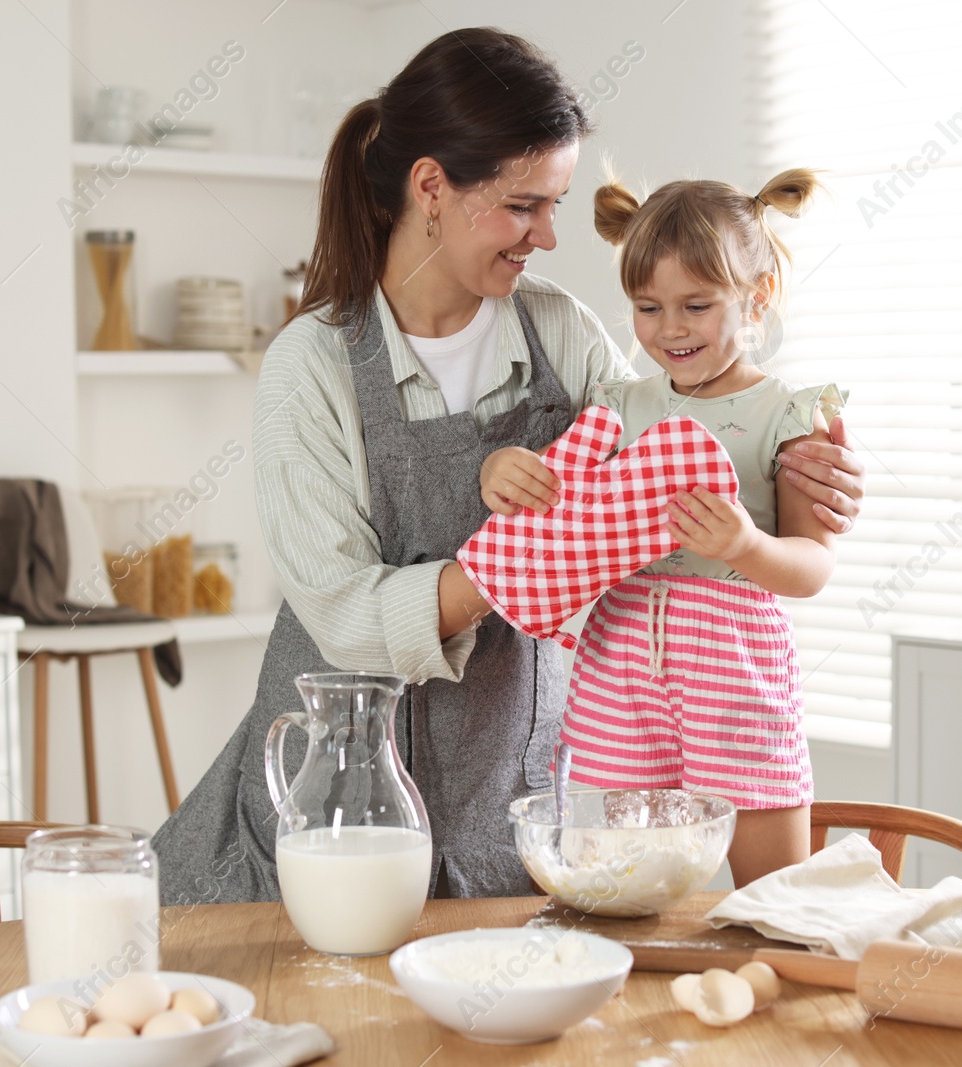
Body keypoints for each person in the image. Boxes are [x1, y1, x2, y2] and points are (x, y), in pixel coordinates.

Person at [151, 28, 865, 904]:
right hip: (345, 818)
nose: (550, 236)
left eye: (556, 203)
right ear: (432, 188)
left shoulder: (559, 330)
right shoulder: (313, 366)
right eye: (526, 205)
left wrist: (799, 474)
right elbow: (345, 618)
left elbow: (668, 448)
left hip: (517, 812)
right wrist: (520, 565)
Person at [480, 168, 838, 887]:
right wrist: (503, 473)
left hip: (734, 659)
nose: (670, 328)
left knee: (777, 893)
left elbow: (812, 566)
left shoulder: (790, 414)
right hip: (618, 662)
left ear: (757, 297)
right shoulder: (617, 403)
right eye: (648, 307)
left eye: (696, 305)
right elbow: (561, 501)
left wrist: (746, 545)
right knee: (612, 879)